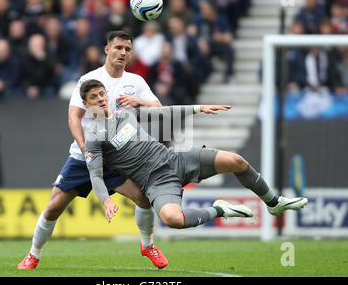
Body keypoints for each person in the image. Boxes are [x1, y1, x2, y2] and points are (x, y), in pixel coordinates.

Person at [17, 31, 168, 270]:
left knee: (143, 197)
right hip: (84, 156)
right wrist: (85, 148)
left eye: (127, 50)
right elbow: (74, 116)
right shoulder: (89, 79)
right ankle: (33, 254)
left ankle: (147, 245)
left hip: (116, 158)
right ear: (107, 50)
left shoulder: (136, 82)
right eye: (118, 48)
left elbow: (159, 108)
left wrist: (139, 101)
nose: (123, 53)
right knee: (54, 207)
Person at [81, 80, 309, 232]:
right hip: (155, 181)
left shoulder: (125, 111)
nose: (101, 99)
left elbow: (164, 112)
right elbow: (95, 174)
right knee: (172, 220)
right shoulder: (93, 135)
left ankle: (273, 203)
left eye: (102, 94)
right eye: (94, 97)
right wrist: (106, 200)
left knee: (235, 161)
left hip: (175, 159)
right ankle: (220, 209)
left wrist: (199, 108)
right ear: (86, 104)